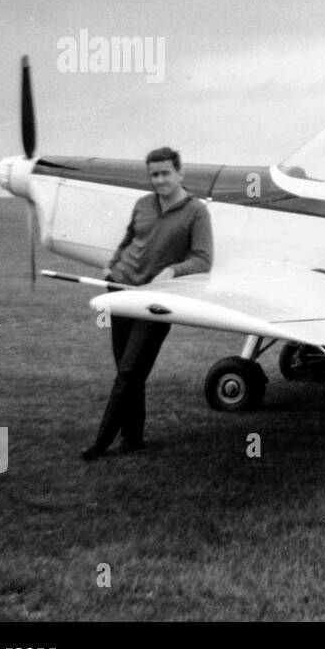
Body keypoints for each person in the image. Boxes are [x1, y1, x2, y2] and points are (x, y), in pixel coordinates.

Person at [81, 147, 213, 460]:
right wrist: (111, 266)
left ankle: (100, 443)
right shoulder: (142, 204)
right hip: (120, 292)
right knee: (129, 372)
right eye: (154, 174)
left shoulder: (196, 211)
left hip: (155, 302)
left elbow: (204, 259)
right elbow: (128, 240)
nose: (160, 180)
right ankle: (132, 439)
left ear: (180, 174)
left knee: (128, 372)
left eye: (166, 173)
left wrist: (172, 270)